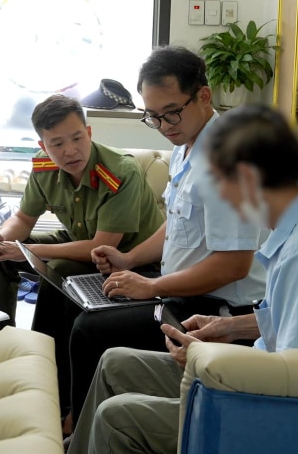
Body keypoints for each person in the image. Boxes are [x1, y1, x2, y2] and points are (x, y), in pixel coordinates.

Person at [69, 103, 298, 454]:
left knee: (118, 417)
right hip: (273, 380)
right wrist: (231, 329)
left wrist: (210, 359)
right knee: (115, 362)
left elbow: (295, 382)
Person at [67, 46, 267, 430]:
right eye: (153, 117)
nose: (164, 125)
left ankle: (84, 429)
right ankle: (75, 422)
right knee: (78, 299)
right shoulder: (186, 143)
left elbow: (234, 263)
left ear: (204, 96)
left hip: (217, 314)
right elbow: (176, 225)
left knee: (89, 330)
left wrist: (151, 285)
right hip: (179, 294)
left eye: (172, 112)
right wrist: (130, 260)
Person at [0, 94, 163, 411]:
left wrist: (26, 250)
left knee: (58, 266)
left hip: (127, 259)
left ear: (89, 133)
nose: (70, 151)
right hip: (78, 237)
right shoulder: (44, 166)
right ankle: (3, 351)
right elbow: (23, 219)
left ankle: (54, 384)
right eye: (57, 144)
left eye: (77, 138)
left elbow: (99, 246)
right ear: (44, 145)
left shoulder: (120, 172)